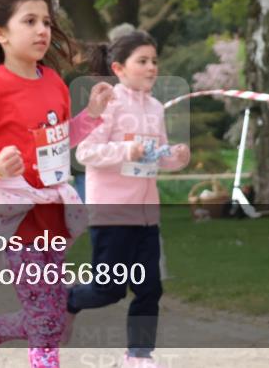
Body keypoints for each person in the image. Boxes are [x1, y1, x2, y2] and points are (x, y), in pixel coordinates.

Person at [0, 0, 112, 368]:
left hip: (54, 211)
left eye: (47, 22)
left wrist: (93, 117)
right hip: (15, 215)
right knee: (48, 319)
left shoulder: (53, 82)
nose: (42, 30)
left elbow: (59, 140)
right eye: (30, 21)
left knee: (49, 318)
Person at [67, 25, 190, 368]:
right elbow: (85, 153)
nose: (152, 67)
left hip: (147, 216)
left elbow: (155, 156)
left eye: (154, 61)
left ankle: (138, 356)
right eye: (143, 61)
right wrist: (124, 149)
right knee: (108, 291)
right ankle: (66, 300)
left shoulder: (155, 108)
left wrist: (175, 158)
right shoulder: (109, 104)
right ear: (119, 68)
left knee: (150, 290)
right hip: (112, 213)